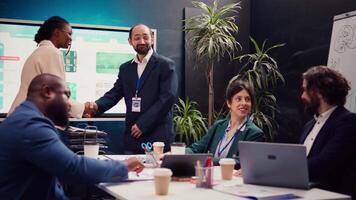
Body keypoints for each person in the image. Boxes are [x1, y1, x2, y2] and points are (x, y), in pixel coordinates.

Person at [0, 74, 144, 199]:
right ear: (47, 92)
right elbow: (73, 167)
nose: (69, 105)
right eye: (66, 95)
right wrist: (123, 166)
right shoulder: (30, 125)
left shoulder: (24, 118)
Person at [84, 24, 178, 154]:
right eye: (137, 38)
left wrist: (143, 124)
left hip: (157, 136)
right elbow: (115, 93)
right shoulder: (126, 68)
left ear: (152, 39)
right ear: (130, 41)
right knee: (132, 173)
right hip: (133, 136)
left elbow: (167, 99)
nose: (141, 41)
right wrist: (96, 106)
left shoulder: (165, 65)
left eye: (145, 37)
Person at [8, 16, 84, 118]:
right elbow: (57, 96)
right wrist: (83, 108)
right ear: (57, 32)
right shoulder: (52, 52)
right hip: (29, 119)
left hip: (21, 116)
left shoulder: (41, 51)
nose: (70, 38)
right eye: (69, 33)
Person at [299, 65, 356, 196]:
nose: (302, 96)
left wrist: (283, 168)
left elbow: (325, 163)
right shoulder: (308, 125)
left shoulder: (349, 122)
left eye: (306, 90)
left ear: (319, 92)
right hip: (304, 193)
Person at [186, 79, 264, 168]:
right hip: (211, 177)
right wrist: (177, 153)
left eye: (247, 99)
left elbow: (241, 162)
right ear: (229, 103)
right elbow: (196, 149)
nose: (244, 103)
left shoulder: (254, 133)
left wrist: (208, 160)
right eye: (238, 99)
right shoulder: (218, 126)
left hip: (231, 180)